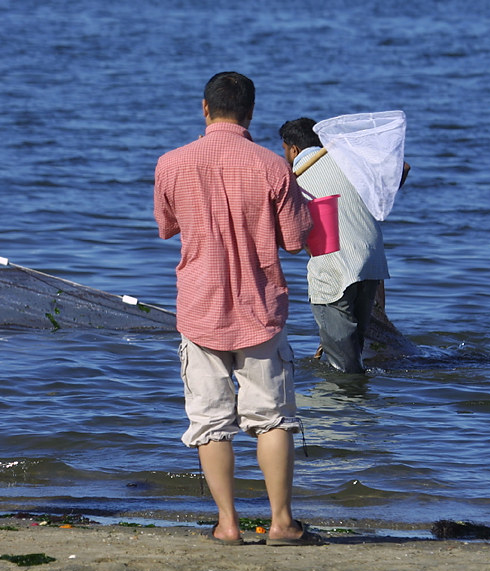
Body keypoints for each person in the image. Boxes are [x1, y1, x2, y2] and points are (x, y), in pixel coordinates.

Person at [154, 72, 321, 546]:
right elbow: (294, 240)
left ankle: (227, 524)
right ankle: (282, 523)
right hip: (259, 309)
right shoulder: (273, 167)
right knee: (272, 418)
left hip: (199, 309)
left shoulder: (171, 163)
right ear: (250, 113)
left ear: (204, 109)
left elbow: (166, 227)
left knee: (209, 423)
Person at [279, 117, 409, 374]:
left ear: (293, 149)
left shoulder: (292, 178)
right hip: (371, 263)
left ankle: (341, 410)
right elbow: (402, 167)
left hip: (336, 270)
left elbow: (292, 242)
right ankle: (360, 410)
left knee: (343, 369)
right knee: (353, 353)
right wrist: (378, 196)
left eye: (284, 151)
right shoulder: (349, 162)